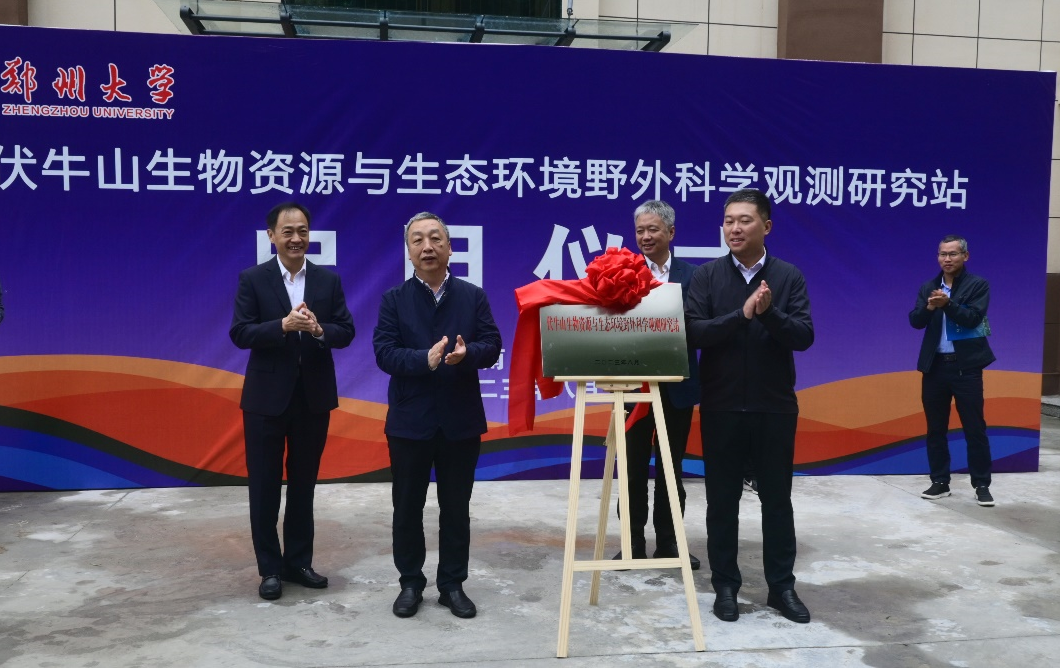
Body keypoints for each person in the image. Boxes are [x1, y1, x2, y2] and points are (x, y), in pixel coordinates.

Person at [685, 188, 814, 624]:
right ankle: (725, 586)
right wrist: (740, 316)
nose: (734, 228)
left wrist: (769, 313)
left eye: (744, 220)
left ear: (766, 226)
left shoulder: (788, 276)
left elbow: (804, 335)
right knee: (722, 502)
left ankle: (782, 587)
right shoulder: (707, 276)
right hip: (721, 405)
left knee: (777, 501)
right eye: (729, 221)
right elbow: (694, 332)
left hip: (773, 406)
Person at [373, 212, 501, 619]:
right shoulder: (394, 299)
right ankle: (410, 583)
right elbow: (384, 352)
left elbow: (492, 344)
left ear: (449, 247)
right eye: (418, 240)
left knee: (456, 508)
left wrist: (468, 354)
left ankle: (452, 584)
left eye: (435, 238)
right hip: (410, 421)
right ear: (409, 251)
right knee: (407, 507)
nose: (427, 246)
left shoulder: (472, 295)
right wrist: (422, 360)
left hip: (459, 421)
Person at [230, 202, 355, 601]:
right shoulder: (253, 279)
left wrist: (319, 331)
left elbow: (346, 330)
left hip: (312, 399)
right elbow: (240, 332)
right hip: (265, 401)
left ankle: (298, 563)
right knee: (264, 487)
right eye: (288, 232)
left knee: (304, 486)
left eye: (302, 231)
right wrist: (282, 326)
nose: (296, 238)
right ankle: (270, 569)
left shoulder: (327, 280)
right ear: (272, 236)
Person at [613, 200, 701, 570]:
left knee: (670, 468)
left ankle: (669, 542)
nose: (646, 237)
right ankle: (631, 543)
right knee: (631, 467)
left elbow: (697, 324)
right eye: (640, 231)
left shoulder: (693, 276)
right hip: (632, 387)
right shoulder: (622, 271)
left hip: (676, 387)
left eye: (653, 229)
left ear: (671, 232)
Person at [909, 235, 995, 507]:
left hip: (966, 367)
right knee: (936, 428)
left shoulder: (977, 284)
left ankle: (981, 484)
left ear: (965, 256)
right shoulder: (929, 286)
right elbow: (915, 321)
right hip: (935, 367)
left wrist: (948, 304)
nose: (947, 259)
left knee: (974, 428)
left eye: (953, 254)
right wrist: (929, 307)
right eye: (942, 254)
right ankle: (940, 481)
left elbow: (973, 318)